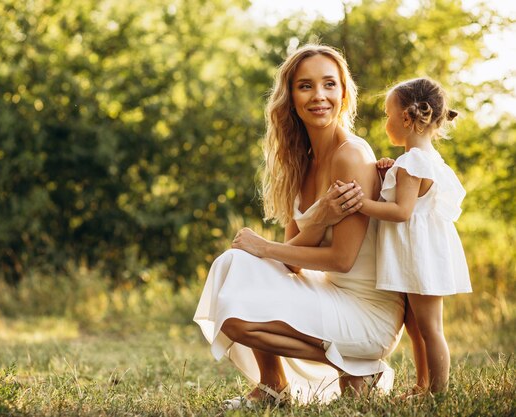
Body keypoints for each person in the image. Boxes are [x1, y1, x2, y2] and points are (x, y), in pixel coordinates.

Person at [193, 44, 405, 407]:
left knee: (237, 315)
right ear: (290, 97)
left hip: (367, 312)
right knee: (235, 263)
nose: (318, 96)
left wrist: (264, 247)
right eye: (305, 86)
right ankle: (274, 387)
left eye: (329, 84)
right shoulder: (301, 161)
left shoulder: (351, 155)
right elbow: (293, 262)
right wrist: (320, 217)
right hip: (332, 295)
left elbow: (341, 260)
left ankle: (360, 367)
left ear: (343, 93)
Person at [357, 77, 472, 394]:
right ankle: (423, 385)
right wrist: (386, 177)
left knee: (430, 328)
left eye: (387, 114)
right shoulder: (426, 159)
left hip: (419, 255)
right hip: (423, 251)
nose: (386, 121)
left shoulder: (411, 163)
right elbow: (408, 201)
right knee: (417, 324)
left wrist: (361, 203)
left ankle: (436, 393)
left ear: (406, 118)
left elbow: (401, 211)